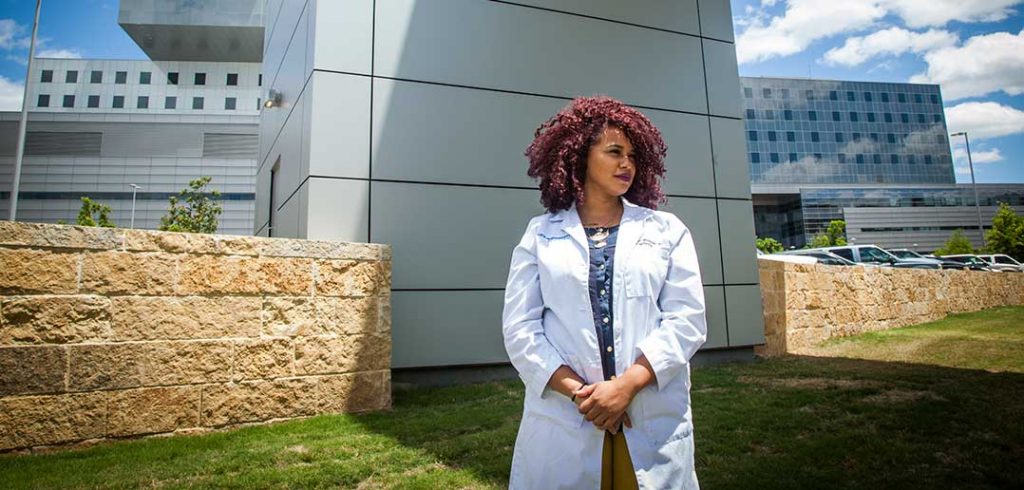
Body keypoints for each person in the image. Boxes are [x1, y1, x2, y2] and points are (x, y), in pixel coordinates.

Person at [502, 95, 707, 489]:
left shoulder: (666, 230)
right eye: (614, 151)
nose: (626, 163)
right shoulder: (541, 234)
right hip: (569, 417)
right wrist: (587, 397)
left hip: (647, 413)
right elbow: (521, 329)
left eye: (632, 154)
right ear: (580, 156)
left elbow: (687, 320)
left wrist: (626, 386)